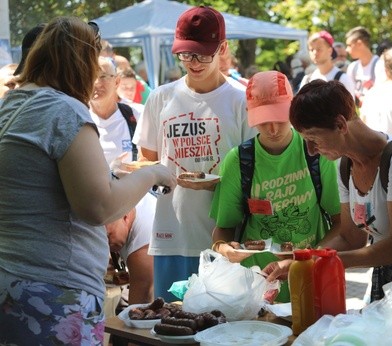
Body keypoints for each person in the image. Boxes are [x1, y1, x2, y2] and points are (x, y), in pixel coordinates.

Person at [0, 17, 175, 344]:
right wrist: (153, 172)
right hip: (53, 292)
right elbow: (99, 207)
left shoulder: (12, 106)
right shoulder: (62, 110)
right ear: (80, 63)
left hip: (13, 280)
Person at [263, 80, 392, 302]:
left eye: (313, 139)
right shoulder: (345, 166)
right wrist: (302, 261)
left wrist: (324, 261)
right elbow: (349, 237)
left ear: (341, 125)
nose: (311, 150)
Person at [133, 6, 257, 300]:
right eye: (186, 54)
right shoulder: (161, 97)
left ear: (223, 49)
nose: (193, 62)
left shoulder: (240, 101)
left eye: (202, 54)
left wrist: (220, 181)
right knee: (171, 324)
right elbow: (147, 159)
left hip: (224, 240)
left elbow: (254, 171)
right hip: (171, 234)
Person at [209, 71, 341, 302]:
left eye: (279, 118)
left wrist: (307, 260)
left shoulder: (316, 152)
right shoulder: (238, 161)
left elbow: (341, 224)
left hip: (312, 278)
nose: (272, 129)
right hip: (257, 285)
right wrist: (225, 250)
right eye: (263, 120)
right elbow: (223, 229)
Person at [106, 192, 157, 305]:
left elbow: (139, 306)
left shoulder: (142, 246)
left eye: (108, 236)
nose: (105, 244)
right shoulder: (122, 206)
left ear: (126, 216)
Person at [90, 56, 141, 165]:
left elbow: (148, 161)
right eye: (91, 76)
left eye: (103, 76)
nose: (96, 83)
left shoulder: (136, 115)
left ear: (117, 81)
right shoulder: (78, 118)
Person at [299, 30, 355, 97]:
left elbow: (350, 107)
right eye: (311, 49)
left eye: (319, 49)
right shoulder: (307, 80)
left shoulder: (343, 79)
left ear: (330, 50)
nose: (315, 52)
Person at [345, 26, 379, 107]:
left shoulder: (380, 64)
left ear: (359, 44)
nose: (347, 49)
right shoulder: (352, 67)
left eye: (349, 45)